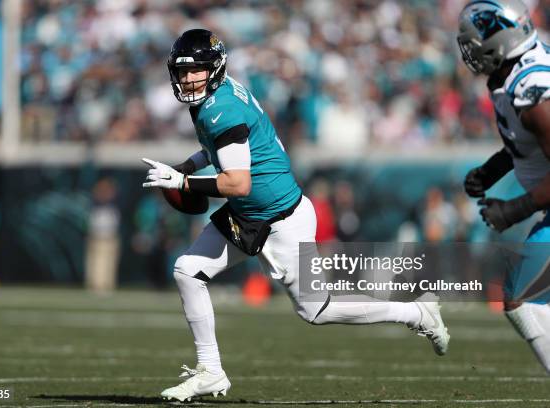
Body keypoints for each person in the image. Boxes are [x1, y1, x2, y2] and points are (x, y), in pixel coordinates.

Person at [142, 29, 450, 402]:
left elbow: (237, 182)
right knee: (187, 270)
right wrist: (187, 166)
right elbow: (217, 149)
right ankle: (211, 370)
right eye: (182, 71)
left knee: (316, 310)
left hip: (281, 219)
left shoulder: (222, 109)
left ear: (215, 68)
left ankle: (416, 313)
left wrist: (184, 182)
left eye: (197, 70)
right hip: (251, 213)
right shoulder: (217, 97)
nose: (188, 79)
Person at [457, 0, 550, 373]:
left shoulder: (533, 90)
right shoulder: (516, 73)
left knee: (521, 298)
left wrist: (516, 208)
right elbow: (527, 143)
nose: (469, 50)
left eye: (474, 40)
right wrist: (492, 169)